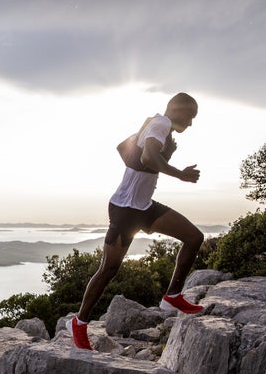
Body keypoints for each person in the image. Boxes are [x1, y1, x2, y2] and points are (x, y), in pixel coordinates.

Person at [67, 92, 205, 350]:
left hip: (143, 206)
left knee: (194, 237)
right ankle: (79, 322)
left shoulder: (154, 124)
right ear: (176, 109)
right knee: (108, 269)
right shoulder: (161, 124)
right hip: (125, 209)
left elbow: (125, 149)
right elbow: (148, 158)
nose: (191, 122)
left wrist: (157, 159)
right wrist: (179, 174)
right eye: (190, 115)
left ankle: (172, 296)